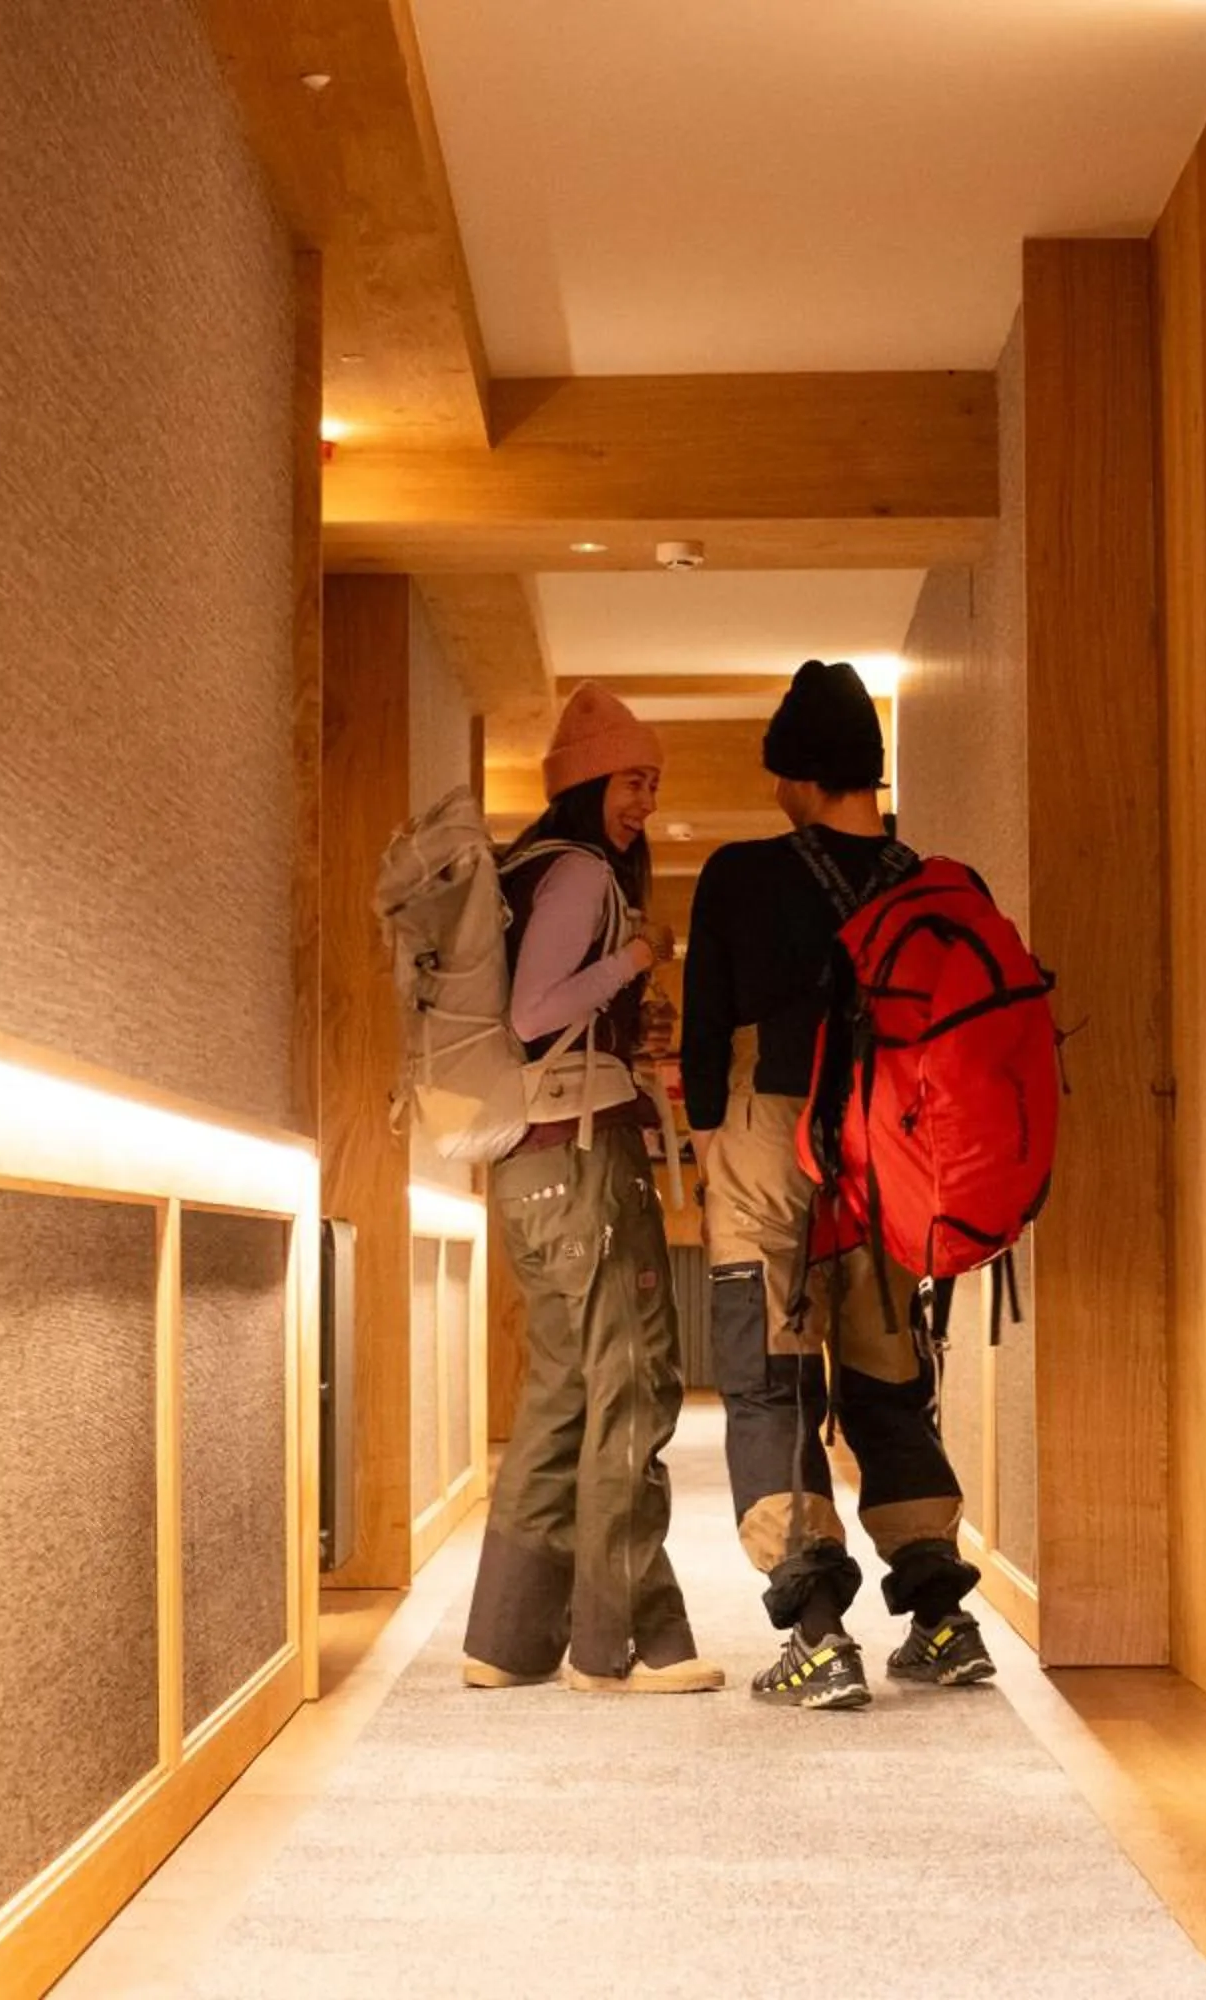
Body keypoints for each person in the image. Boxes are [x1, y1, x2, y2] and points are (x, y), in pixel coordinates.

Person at [681, 659, 990, 1711]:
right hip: (891, 1144)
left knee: (772, 1371)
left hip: (771, 1131)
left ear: (803, 777)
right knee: (888, 1371)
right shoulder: (934, 880)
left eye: (781, 774)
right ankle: (942, 1615)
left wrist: (710, 1158)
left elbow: (701, 1041)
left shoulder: (739, 873)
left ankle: (817, 1632)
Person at [461, 682, 723, 1695]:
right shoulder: (576, 875)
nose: (644, 800)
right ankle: (624, 1642)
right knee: (637, 1377)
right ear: (580, 785)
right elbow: (537, 1009)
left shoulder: (529, 870)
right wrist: (635, 958)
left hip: (531, 1160)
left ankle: (506, 1636)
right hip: (581, 1160)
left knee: (564, 1385)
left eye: (652, 780)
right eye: (629, 779)